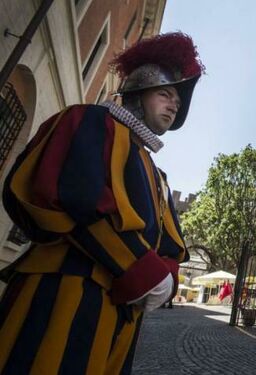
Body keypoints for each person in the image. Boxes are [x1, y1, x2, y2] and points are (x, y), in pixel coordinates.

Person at [0, 32, 203, 373]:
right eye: (165, 94)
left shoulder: (158, 175)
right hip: (62, 291)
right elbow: (71, 198)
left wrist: (165, 278)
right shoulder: (88, 121)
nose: (173, 105)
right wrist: (142, 269)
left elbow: (171, 244)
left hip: (121, 317)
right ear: (138, 92)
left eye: (178, 103)